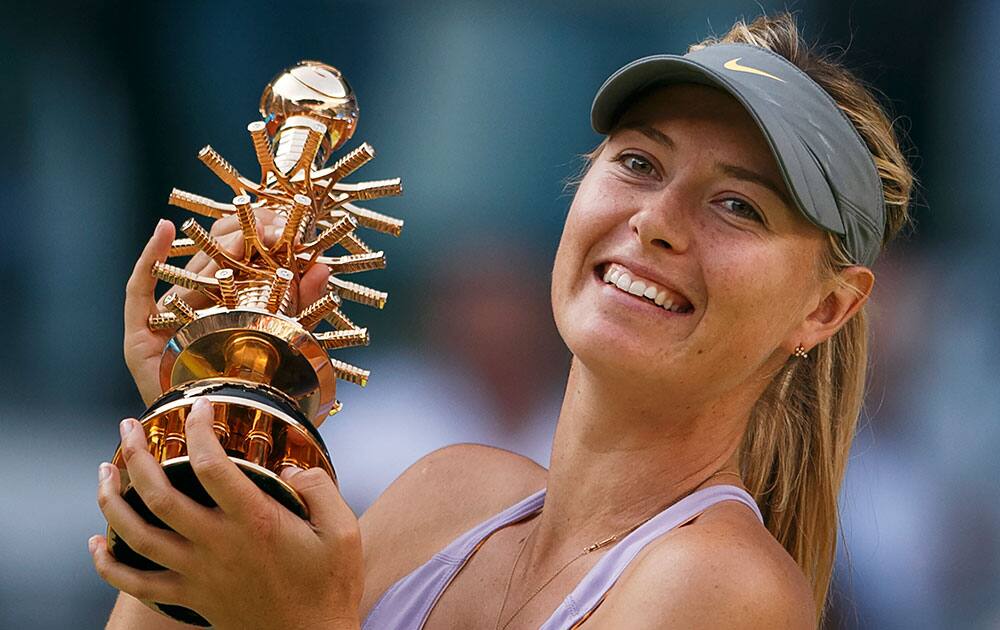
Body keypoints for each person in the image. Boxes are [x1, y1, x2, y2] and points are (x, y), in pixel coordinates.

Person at [90, 12, 915, 629]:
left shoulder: (722, 589)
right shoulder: (447, 494)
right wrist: (216, 420)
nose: (658, 219)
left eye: (739, 205)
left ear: (825, 308)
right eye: (638, 161)